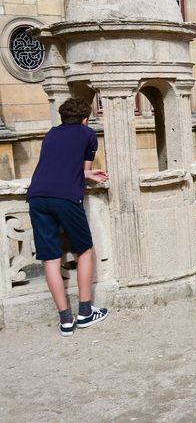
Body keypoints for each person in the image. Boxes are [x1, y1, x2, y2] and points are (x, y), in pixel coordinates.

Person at [26, 98, 109, 336]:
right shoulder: (87, 134)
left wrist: (88, 175)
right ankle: (85, 312)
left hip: (37, 196)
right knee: (84, 250)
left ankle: (65, 320)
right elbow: (80, 167)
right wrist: (89, 173)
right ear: (85, 119)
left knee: (50, 258)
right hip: (65, 196)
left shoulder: (51, 134)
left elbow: (60, 165)